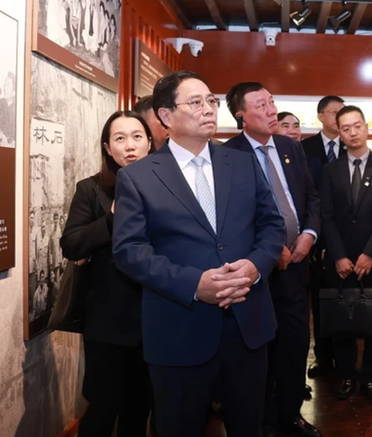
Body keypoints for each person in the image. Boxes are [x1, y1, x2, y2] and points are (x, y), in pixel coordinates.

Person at [111, 71, 285, 437]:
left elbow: (272, 226)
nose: (208, 109)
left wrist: (254, 267)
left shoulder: (241, 162)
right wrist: (195, 284)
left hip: (247, 327)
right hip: (179, 330)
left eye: (211, 101)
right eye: (195, 102)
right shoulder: (139, 177)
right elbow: (129, 251)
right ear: (165, 116)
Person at [223, 82, 321, 437]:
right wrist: (268, 248)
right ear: (241, 115)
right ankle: (260, 422)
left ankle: (291, 415)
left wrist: (309, 235)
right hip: (257, 274)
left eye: (272, 103)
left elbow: (311, 197)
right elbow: (229, 216)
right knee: (259, 353)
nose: (270, 111)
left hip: (297, 269)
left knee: (295, 348)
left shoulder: (290, 148)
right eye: (261, 105)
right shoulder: (227, 155)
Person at [60, 110, 156, 437]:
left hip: (157, 313)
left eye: (137, 137)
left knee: (141, 405)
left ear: (149, 143)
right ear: (107, 148)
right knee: (103, 404)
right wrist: (113, 216)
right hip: (108, 318)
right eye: (119, 138)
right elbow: (72, 244)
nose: (129, 146)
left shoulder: (169, 188)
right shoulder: (91, 189)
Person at [321, 106, 372, 405]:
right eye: (345, 128)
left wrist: (369, 254)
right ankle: (348, 374)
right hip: (341, 262)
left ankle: (369, 377)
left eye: (357, 126)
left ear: (366, 128)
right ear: (338, 133)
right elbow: (326, 216)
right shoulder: (331, 170)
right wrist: (339, 256)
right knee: (343, 320)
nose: (352, 132)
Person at [301, 95, 346, 378]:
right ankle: (322, 356)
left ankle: (345, 359)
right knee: (319, 300)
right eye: (335, 112)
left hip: (346, 238)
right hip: (314, 237)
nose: (340, 118)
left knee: (345, 299)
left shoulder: (352, 148)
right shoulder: (304, 148)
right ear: (321, 116)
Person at [0, 73, 17, 143]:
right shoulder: (0, 103)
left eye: (8, 85)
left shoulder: (17, 108)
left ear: (14, 92)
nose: (5, 88)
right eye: (5, 84)